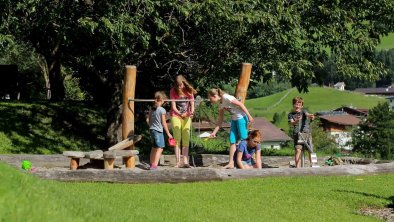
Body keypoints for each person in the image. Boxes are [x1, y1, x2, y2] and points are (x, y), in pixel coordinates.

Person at [208, 88, 254, 169]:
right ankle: (231, 163)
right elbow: (220, 120)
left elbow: (241, 104)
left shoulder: (226, 97)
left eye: (210, 98)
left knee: (244, 139)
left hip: (241, 118)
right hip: (234, 120)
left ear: (215, 96)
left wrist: (249, 116)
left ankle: (248, 161)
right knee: (232, 140)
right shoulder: (220, 104)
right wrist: (214, 133)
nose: (209, 100)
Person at [170, 75, 197, 168]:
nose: (179, 87)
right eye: (177, 85)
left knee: (186, 137)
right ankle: (178, 162)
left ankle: (185, 161)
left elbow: (192, 103)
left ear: (184, 83)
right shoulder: (173, 91)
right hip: (176, 116)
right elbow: (173, 106)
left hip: (187, 116)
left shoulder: (189, 91)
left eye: (180, 85)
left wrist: (192, 112)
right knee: (176, 138)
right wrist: (180, 114)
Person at [146, 91, 173, 170]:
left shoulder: (152, 109)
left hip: (152, 130)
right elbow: (164, 123)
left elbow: (147, 120)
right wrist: (168, 134)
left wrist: (151, 127)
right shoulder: (162, 110)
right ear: (161, 100)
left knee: (154, 147)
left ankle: (151, 164)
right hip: (158, 131)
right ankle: (154, 165)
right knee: (160, 148)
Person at [288, 96, 315, 168]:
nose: (297, 106)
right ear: (293, 105)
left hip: (306, 133)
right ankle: (298, 167)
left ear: (302, 105)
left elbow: (307, 114)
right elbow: (292, 123)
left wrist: (311, 116)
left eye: (299, 105)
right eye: (296, 104)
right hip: (297, 134)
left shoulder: (303, 111)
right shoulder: (291, 114)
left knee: (310, 150)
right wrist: (297, 120)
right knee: (298, 150)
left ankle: (313, 165)